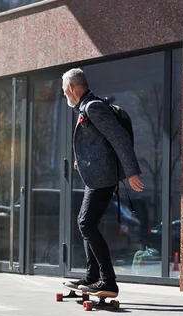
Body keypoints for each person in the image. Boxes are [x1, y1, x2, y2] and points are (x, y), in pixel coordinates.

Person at [61, 68, 144, 295]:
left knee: (86, 224)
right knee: (86, 223)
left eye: (63, 89)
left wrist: (131, 172)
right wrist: (82, 159)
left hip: (104, 178)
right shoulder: (86, 106)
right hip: (96, 176)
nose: (63, 93)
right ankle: (92, 276)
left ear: (70, 88)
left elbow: (119, 138)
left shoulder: (93, 106)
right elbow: (98, 142)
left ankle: (108, 281)